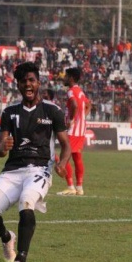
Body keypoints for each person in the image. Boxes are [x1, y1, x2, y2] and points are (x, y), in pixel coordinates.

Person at [0, 62, 71, 262]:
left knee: (27, 202)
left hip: (40, 169)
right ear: (19, 85)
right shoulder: (10, 113)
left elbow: (66, 144)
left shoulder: (52, 111)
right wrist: (2, 147)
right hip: (12, 170)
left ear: (38, 83)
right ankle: (7, 238)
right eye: (23, 82)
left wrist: (61, 164)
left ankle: (21, 261)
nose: (28, 85)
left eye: (31, 80)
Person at [57, 67, 91, 196]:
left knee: (63, 157)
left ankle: (70, 187)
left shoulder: (71, 91)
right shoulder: (80, 91)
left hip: (72, 130)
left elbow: (75, 105)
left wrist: (71, 119)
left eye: (66, 76)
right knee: (77, 158)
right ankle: (79, 188)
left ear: (71, 78)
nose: (64, 78)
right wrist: (82, 117)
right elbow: (88, 105)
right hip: (81, 129)